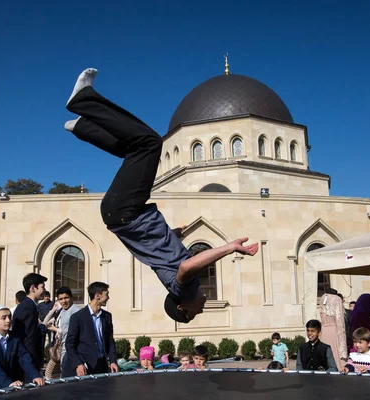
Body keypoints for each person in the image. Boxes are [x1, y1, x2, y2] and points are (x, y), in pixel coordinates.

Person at [64, 68, 259, 324]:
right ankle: (83, 127)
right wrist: (175, 234)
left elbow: (187, 267)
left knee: (150, 143)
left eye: (192, 314)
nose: (200, 310)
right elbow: (161, 253)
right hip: (121, 213)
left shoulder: (183, 288)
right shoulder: (175, 281)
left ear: (181, 307)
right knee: (135, 149)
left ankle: (83, 101)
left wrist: (229, 247)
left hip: (126, 211)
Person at [0, 306, 44, 394]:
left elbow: (24, 358)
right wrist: (7, 383)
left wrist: (35, 375)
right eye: (4, 318)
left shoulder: (14, 338)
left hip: (9, 386)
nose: (8, 320)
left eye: (9, 317)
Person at [65, 282, 119, 376]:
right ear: (98, 296)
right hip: (85, 367)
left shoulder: (107, 316)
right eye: (106, 294)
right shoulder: (78, 317)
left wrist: (113, 361)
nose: (108, 298)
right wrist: (78, 364)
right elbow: (70, 344)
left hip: (102, 366)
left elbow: (110, 341)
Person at [42, 287, 81, 378]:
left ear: (71, 298)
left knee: (68, 377)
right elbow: (45, 323)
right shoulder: (61, 311)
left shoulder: (77, 311)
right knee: (50, 374)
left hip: (71, 350)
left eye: (66, 298)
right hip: (59, 348)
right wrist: (53, 309)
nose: (63, 301)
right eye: (61, 299)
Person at [12, 273, 47, 370]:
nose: (44, 290)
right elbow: (29, 338)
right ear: (33, 288)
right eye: (42, 287)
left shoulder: (29, 305)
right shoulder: (28, 307)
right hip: (28, 361)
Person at [319, 291, 347, 370]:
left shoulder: (322, 298)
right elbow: (340, 320)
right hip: (335, 331)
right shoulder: (337, 299)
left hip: (324, 331)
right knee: (336, 355)